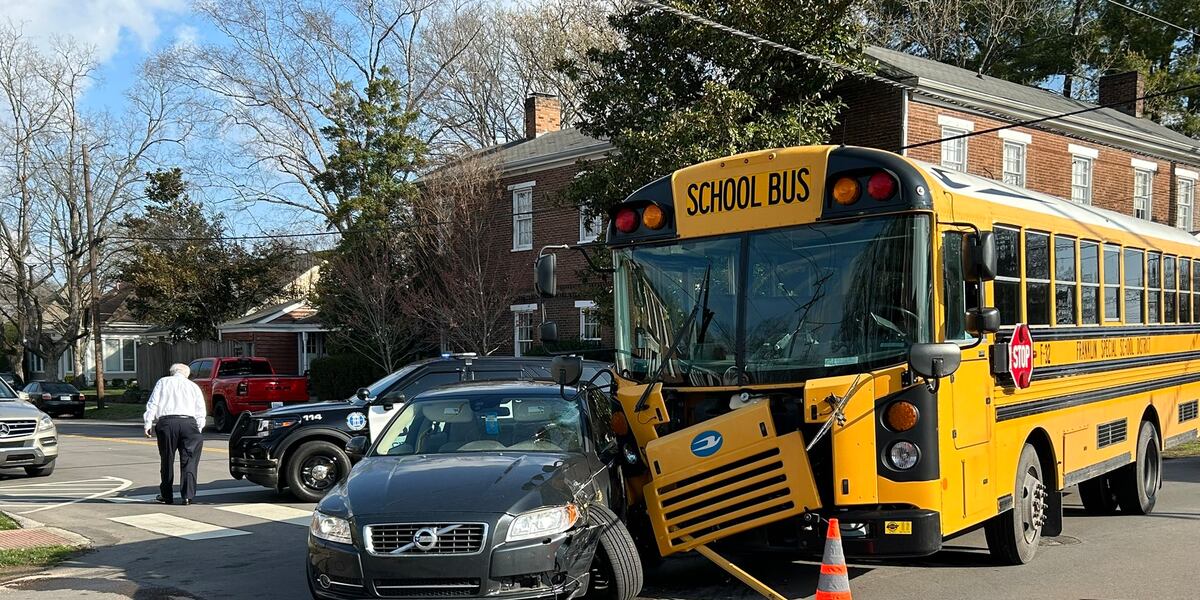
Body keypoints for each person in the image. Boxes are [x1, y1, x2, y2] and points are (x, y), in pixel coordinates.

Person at [143, 363, 208, 505]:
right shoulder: (193, 386)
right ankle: (187, 495)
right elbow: (200, 410)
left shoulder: (163, 382)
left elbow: (153, 403)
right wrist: (198, 427)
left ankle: (167, 495)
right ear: (187, 374)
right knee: (189, 460)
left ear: (172, 372)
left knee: (167, 459)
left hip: (167, 423)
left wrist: (148, 423)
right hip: (189, 423)